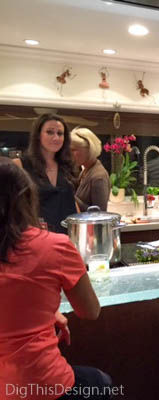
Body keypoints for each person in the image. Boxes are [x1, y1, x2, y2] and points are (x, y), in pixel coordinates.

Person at [0, 157, 113, 400]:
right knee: (101, 383)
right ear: (26, 198)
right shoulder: (54, 246)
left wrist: (45, 312)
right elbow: (90, 311)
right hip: (41, 384)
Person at [13, 113, 77, 233]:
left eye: (60, 133)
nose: (56, 138)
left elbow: (71, 201)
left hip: (67, 235)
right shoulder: (20, 165)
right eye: (50, 132)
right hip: (37, 237)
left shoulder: (67, 165)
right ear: (38, 135)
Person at [71, 127, 110, 211]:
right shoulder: (85, 171)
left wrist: (71, 197)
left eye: (73, 150)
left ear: (88, 149)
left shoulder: (98, 177)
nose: (70, 154)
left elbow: (99, 214)